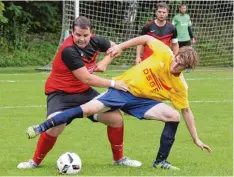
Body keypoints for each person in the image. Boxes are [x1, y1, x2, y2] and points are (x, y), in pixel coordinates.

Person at [26, 35, 212, 170]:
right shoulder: (166, 53)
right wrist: (121, 46)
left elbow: (186, 111)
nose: (175, 64)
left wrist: (196, 139)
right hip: (122, 90)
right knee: (89, 108)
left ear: (186, 69)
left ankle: (160, 162)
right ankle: (42, 126)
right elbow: (146, 38)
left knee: (173, 116)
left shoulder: (179, 86)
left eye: (180, 65)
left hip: (143, 102)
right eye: (177, 59)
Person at [17, 16, 142, 169]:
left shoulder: (96, 41)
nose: (82, 39)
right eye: (78, 35)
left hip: (84, 92)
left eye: (85, 35)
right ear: (72, 33)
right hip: (60, 94)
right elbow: (87, 79)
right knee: (56, 125)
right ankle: (34, 162)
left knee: (115, 118)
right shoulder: (68, 50)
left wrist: (104, 62)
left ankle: (119, 159)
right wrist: (114, 83)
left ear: (91, 33)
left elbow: (116, 48)